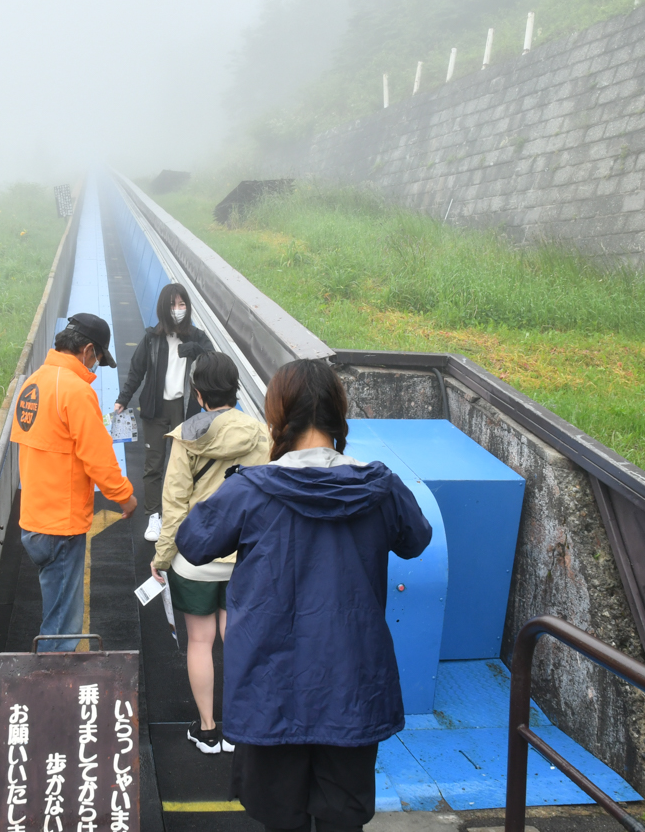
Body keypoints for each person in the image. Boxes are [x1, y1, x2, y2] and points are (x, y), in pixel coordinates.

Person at [175, 359, 433, 832]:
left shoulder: (250, 491)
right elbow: (417, 538)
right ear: (338, 414)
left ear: (278, 416)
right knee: (342, 821)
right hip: (352, 684)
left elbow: (193, 542)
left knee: (279, 819)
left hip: (272, 685)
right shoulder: (379, 487)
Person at [150, 352, 271, 755]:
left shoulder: (187, 435)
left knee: (200, 642)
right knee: (236, 640)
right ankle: (240, 728)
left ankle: (207, 729)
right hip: (246, 559)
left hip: (196, 560)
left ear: (199, 394)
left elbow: (175, 505)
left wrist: (162, 557)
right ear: (235, 390)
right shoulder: (262, 434)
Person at [10, 313, 137, 652]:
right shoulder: (75, 391)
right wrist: (124, 497)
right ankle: (49, 695)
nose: (95, 366)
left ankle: (45, 686)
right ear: (88, 350)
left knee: (53, 614)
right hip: (60, 526)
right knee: (62, 629)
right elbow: (98, 457)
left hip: (33, 520)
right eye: (96, 358)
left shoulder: (34, 382)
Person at [113, 283, 214, 545]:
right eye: (172, 305)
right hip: (155, 409)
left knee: (184, 465)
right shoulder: (151, 338)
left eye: (182, 305)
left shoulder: (198, 336)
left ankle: (179, 516)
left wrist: (199, 351)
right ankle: (154, 515)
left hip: (186, 408)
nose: (178, 310)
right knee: (154, 464)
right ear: (163, 308)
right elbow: (137, 370)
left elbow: (215, 364)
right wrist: (122, 400)